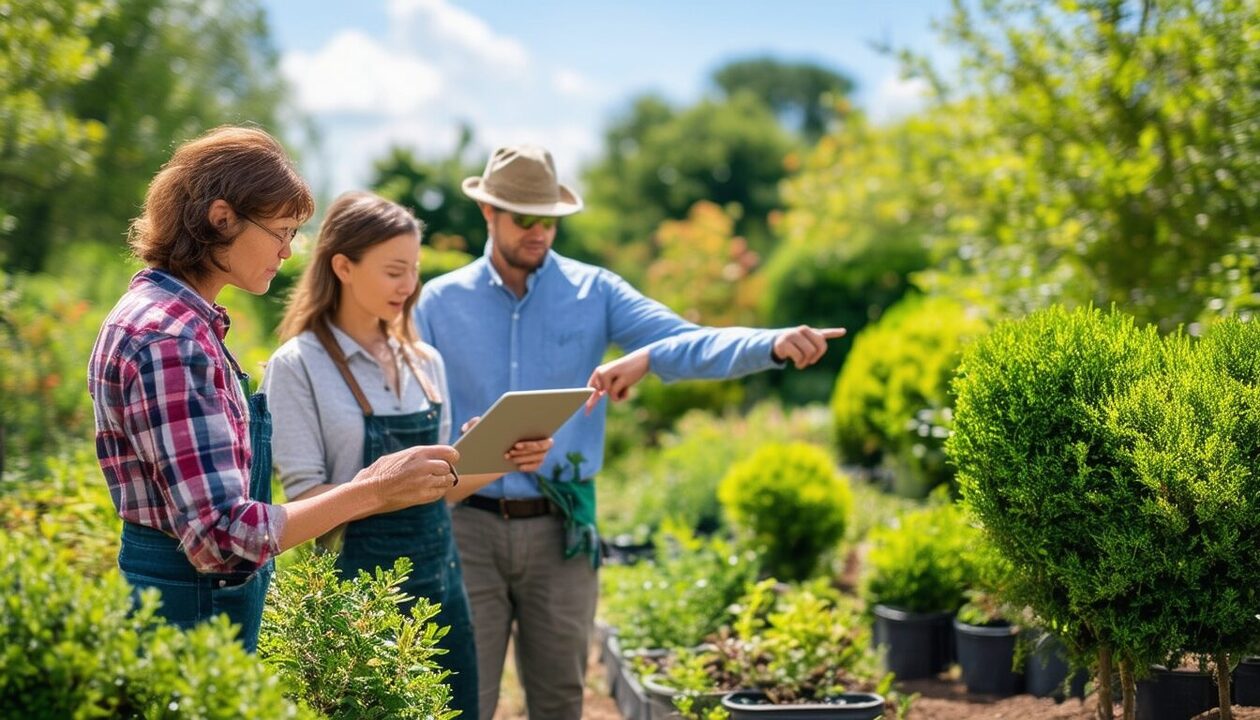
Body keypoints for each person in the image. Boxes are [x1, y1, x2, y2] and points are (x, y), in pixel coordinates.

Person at [415, 144, 845, 719]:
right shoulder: (437, 304)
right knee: (461, 699)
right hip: (465, 527)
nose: (540, 232)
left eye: (550, 219)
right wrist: (459, 438)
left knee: (561, 699)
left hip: (559, 529)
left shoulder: (596, 291)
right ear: (488, 213)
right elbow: (414, 405)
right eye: (525, 219)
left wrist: (768, 343)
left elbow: (682, 341)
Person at [88, 126, 460, 654]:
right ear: (222, 219)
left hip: (194, 598)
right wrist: (371, 489)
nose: (289, 251)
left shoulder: (175, 321)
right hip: (191, 608)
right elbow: (223, 538)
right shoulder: (171, 339)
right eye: (282, 230)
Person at [262, 191, 553, 717]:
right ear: (344, 266)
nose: (410, 286)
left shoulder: (425, 362)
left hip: (441, 592)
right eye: (395, 270)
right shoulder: (297, 366)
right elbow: (307, 503)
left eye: (414, 270)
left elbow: (441, 492)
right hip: (358, 606)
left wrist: (501, 454)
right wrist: (379, 488)